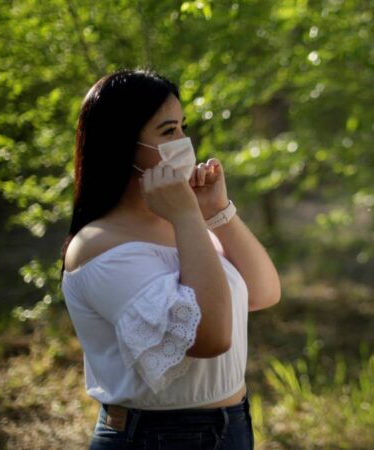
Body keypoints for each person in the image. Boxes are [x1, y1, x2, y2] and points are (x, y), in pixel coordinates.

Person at [61, 69, 280, 449]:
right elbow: (209, 338)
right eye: (168, 131)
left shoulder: (183, 227)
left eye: (182, 127)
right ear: (123, 144)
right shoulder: (99, 245)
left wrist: (216, 212)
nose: (183, 142)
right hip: (156, 436)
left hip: (233, 423)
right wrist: (187, 217)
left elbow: (264, 292)